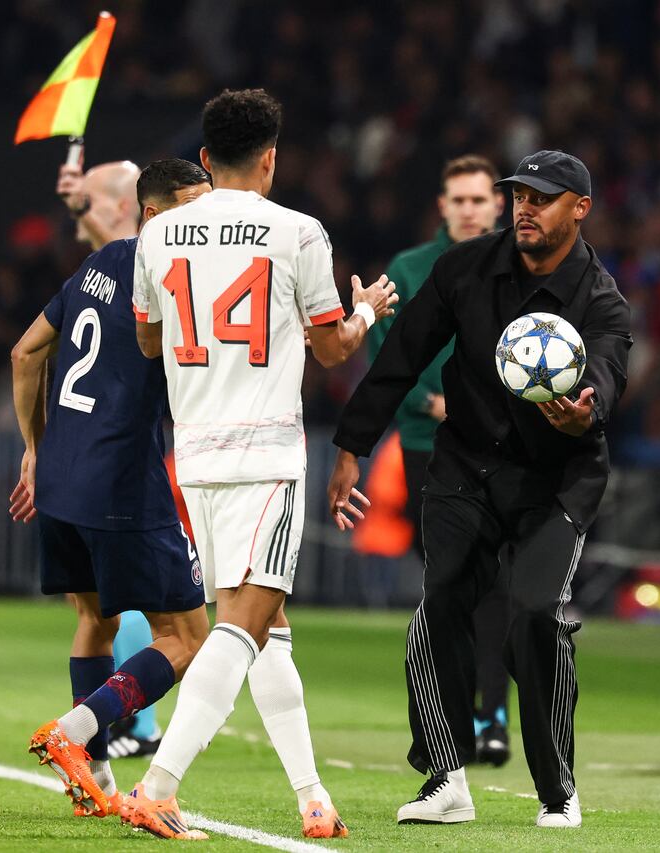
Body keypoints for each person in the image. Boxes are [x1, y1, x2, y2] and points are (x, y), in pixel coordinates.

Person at [329, 150, 632, 829]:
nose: (525, 206)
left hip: (557, 477)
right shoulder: (464, 270)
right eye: (519, 195)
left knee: (532, 613)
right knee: (442, 599)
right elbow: (401, 354)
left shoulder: (601, 297)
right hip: (465, 466)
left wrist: (589, 407)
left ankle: (557, 788)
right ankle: (446, 774)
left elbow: (609, 367)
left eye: (543, 198)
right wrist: (351, 444)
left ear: (579, 209)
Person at [124, 88, 396, 841]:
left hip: (197, 455)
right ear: (271, 159)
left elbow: (149, 342)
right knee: (242, 624)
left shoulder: (159, 233)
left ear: (206, 160)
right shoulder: (298, 232)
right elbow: (333, 346)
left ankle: (313, 798)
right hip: (266, 452)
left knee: (268, 625)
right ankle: (158, 783)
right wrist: (367, 308)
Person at [14, 159, 214, 820]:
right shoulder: (173, 283)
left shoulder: (99, 264)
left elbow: (24, 354)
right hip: (122, 480)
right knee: (186, 634)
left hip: (61, 479)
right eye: (195, 210)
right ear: (157, 214)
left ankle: (92, 775)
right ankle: (74, 732)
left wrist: (34, 448)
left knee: (93, 621)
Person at [368, 154, 512, 766]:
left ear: (497, 206)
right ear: (443, 206)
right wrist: (439, 401)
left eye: (480, 199)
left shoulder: (521, 263)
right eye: (460, 200)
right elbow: (390, 352)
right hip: (432, 451)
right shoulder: (409, 269)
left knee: (497, 581)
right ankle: (454, 718)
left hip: (506, 448)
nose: (470, 209)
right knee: (452, 583)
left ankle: (491, 716)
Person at [53, 154, 166, 759]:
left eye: (90, 201)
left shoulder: (138, 259)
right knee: (101, 605)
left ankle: (129, 727)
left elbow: (27, 352)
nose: (78, 211)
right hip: (106, 455)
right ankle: (111, 734)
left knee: (139, 605)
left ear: (129, 207)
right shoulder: (112, 267)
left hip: (122, 458)